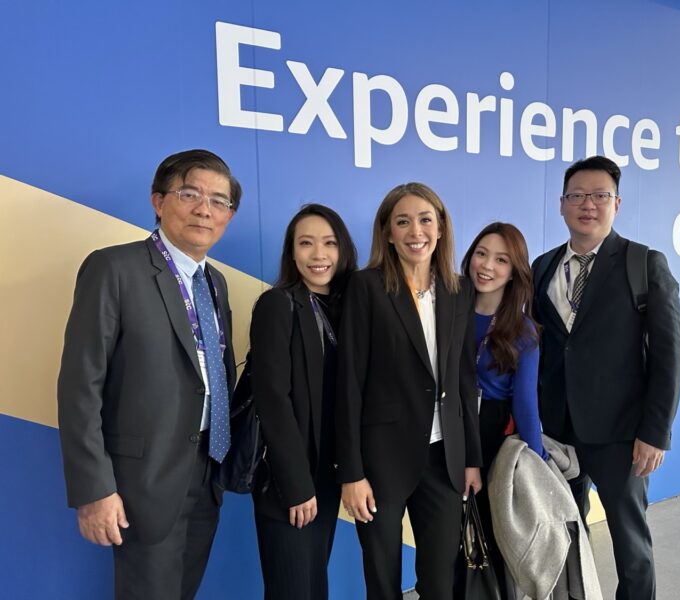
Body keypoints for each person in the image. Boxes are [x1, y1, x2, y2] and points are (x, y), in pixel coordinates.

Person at [57, 149, 241, 599]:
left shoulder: (215, 283)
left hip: (207, 472)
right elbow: (81, 386)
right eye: (190, 194)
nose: (205, 210)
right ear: (158, 201)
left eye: (219, 201)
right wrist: (94, 489)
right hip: (141, 481)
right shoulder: (114, 268)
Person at [531, 155, 680, 600]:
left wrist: (655, 433)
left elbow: (670, 355)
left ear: (616, 203)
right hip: (557, 430)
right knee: (563, 537)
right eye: (577, 195)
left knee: (630, 546)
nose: (588, 204)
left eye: (599, 195)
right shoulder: (542, 266)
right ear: (562, 204)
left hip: (622, 435)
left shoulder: (643, 263)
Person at [336, 182, 482, 599]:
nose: (415, 231)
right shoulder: (366, 287)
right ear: (387, 233)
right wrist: (351, 472)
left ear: (441, 228)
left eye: (425, 220)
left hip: (444, 458)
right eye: (402, 222)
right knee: (383, 580)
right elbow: (349, 383)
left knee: (439, 581)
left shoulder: (458, 290)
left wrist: (472, 459)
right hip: (381, 460)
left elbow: (464, 380)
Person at [249, 204, 357, 599]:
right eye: (306, 243)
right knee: (292, 590)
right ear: (292, 253)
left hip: (327, 477)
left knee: (314, 587)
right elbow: (272, 399)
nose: (318, 255)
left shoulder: (347, 309)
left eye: (329, 243)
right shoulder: (279, 305)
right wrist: (295, 487)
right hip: (289, 480)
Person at [461, 222, 546, 599]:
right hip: (445, 426)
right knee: (450, 535)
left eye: (501, 260)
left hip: (490, 433)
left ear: (514, 271)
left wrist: (537, 462)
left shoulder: (523, 330)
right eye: (481, 254)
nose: (487, 266)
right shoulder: (449, 308)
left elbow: (525, 404)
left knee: (490, 535)